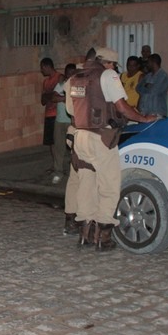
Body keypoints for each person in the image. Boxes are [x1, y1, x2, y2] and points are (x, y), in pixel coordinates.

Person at [66, 47, 158, 250]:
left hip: (80, 137)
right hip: (101, 138)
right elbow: (121, 106)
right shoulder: (107, 75)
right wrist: (143, 118)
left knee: (86, 185)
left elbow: (71, 110)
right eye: (115, 65)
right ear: (109, 63)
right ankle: (103, 237)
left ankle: (85, 234)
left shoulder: (75, 78)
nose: (115, 68)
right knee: (109, 186)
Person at [62, 47, 96, 236]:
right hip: (85, 133)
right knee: (87, 178)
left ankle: (70, 219)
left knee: (75, 178)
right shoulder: (91, 80)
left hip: (74, 131)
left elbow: (70, 109)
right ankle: (86, 222)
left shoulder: (73, 81)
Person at [50, 63, 77, 185]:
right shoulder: (60, 85)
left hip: (72, 121)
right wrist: (65, 98)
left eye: (73, 72)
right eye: (68, 72)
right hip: (60, 120)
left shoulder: (77, 86)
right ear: (65, 73)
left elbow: (75, 99)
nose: (70, 75)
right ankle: (58, 172)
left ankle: (75, 172)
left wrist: (62, 97)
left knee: (75, 148)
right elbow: (54, 98)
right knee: (58, 147)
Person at [39, 57, 62, 180]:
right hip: (48, 113)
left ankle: (59, 166)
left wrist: (49, 95)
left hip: (57, 113)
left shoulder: (59, 77)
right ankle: (55, 165)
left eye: (42, 68)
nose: (42, 71)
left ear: (48, 66)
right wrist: (50, 95)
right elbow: (43, 100)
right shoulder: (46, 82)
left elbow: (56, 95)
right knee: (51, 143)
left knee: (58, 142)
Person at [136, 53, 168, 117]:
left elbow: (155, 91)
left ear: (153, 62)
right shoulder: (148, 76)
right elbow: (138, 88)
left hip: (157, 113)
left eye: (148, 62)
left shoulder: (163, 76)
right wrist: (148, 86)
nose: (147, 64)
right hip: (144, 113)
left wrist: (146, 87)